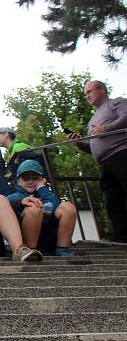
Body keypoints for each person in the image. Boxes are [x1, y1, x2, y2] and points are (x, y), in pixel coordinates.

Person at [70, 80, 127, 242]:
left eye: (89, 91)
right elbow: (95, 146)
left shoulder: (117, 103)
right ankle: (123, 241)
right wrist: (80, 144)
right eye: (85, 94)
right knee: (114, 202)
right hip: (105, 163)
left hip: (121, 154)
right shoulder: (93, 119)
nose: (87, 95)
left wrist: (106, 129)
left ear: (101, 90)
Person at [7, 160, 77, 256]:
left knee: (68, 207)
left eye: (35, 178)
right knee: (33, 208)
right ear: (19, 181)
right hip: (25, 244)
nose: (30, 181)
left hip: (49, 240)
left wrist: (41, 188)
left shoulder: (46, 194)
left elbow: (54, 205)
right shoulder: (13, 198)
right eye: (26, 179)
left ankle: (62, 249)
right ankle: (30, 251)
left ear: (42, 179)